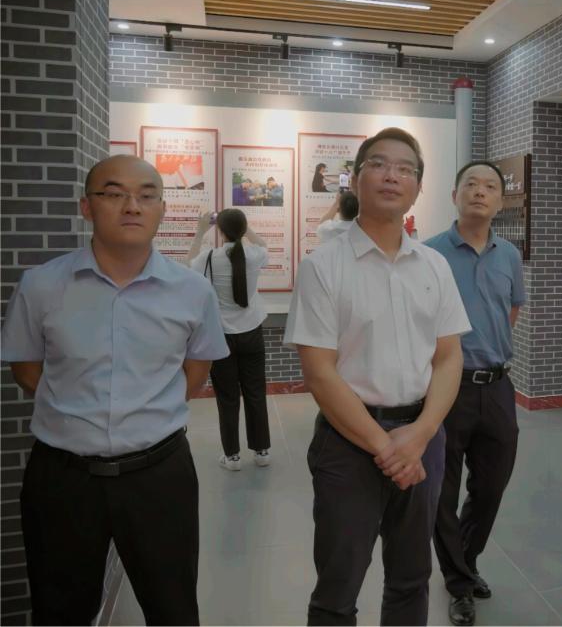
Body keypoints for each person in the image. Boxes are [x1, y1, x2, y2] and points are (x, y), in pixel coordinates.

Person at [0, 155, 228, 625]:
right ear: (86, 206)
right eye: (114, 193)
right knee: (59, 612)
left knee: (173, 608)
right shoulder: (42, 286)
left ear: (162, 209)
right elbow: (26, 369)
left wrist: (142, 411)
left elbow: (195, 373)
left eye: (146, 195)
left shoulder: (192, 292)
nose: (132, 206)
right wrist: (77, 409)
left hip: (159, 475)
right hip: (63, 478)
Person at [285, 127, 471, 626]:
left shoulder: (434, 266)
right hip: (348, 443)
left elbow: (448, 358)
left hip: (422, 437)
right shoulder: (323, 266)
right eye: (380, 165)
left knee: (412, 578)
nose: (392, 176)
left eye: (406, 169)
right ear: (355, 179)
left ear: (418, 187)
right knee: (338, 586)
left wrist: (423, 433)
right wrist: (386, 447)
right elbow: (319, 373)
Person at [425, 162, 524, 627]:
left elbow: (512, 310)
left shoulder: (510, 255)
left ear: (501, 201)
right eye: (471, 185)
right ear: (454, 195)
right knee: (441, 491)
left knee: (491, 486)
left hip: (498, 385)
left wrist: (489, 347)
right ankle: (460, 581)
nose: (480, 192)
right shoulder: (429, 254)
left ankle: (463, 560)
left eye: (490, 187)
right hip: (447, 388)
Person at [187, 208, 272, 471]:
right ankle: (262, 451)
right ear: (243, 229)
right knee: (256, 393)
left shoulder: (209, 257)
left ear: (220, 231)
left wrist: (201, 231)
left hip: (221, 336)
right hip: (252, 333)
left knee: (227, 397)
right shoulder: (254, 255)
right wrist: (245, 229)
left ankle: (232, 456)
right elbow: (263, 245)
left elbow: (188, 267)